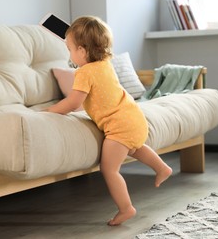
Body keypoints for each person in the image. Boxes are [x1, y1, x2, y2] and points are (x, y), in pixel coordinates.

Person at [44, 16, 172, 226]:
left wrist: (49, 110)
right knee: (135, 147)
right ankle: (162, 168)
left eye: (70, 49)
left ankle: (126, 208)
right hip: (134, 118)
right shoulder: (105, 64)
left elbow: (73, 103)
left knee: (109, 169)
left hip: (119, 126)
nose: (69, 54)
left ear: (83, 52)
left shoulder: (84, 72)